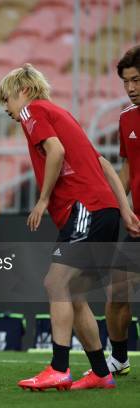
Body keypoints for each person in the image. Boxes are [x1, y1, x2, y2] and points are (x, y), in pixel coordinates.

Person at [0, 63, 140, 391]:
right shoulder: (60, 113)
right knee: (73, 294)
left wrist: (43, 199)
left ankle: (59, 367)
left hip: (84, 208)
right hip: (101, 210)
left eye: (6, 99)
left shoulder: (33, 110)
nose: (6, 107)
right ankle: (101, 373)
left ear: (23, 91)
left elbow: (56, 152)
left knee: (55, 282)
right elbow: (102, 162)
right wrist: (125, 208)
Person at [106, 45, 140, 376]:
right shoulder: (126, 118)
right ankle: (119, 357)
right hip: (137, 225)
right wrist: (111, 204)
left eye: (137, 80)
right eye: (126, 81)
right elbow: (128, 171)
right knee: (116, 292)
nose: (131, 88)